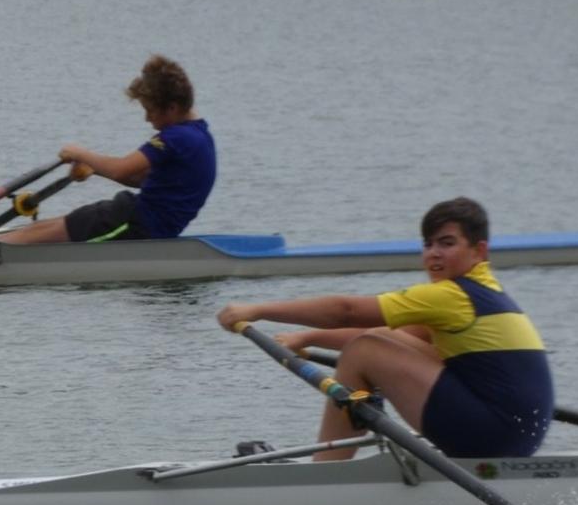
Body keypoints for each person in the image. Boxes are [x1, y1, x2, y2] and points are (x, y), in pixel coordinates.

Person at [216, 197, 553, 461]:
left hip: (490, 436)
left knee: (365, 350)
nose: (433, 254)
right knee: (376, 341)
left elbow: (347, 312)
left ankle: (326, 471)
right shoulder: (483, 293)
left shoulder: (451, 296)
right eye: (428, 244)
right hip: (516, 438)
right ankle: (337, 459)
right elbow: (388, 337)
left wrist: (257, 310)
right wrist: (307, 337)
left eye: (447, 243)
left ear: (478, 251)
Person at [0, 55, 216, 243]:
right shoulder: (199, 134)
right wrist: (95, 169)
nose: (147, 118)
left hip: (136, 224)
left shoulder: (176, 137)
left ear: (172, 108)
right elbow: (140, 179)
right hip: (134, 216)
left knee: (37, 234)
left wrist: (79, 153)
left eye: (150, 110)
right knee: (40, 229)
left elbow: (121, 169)